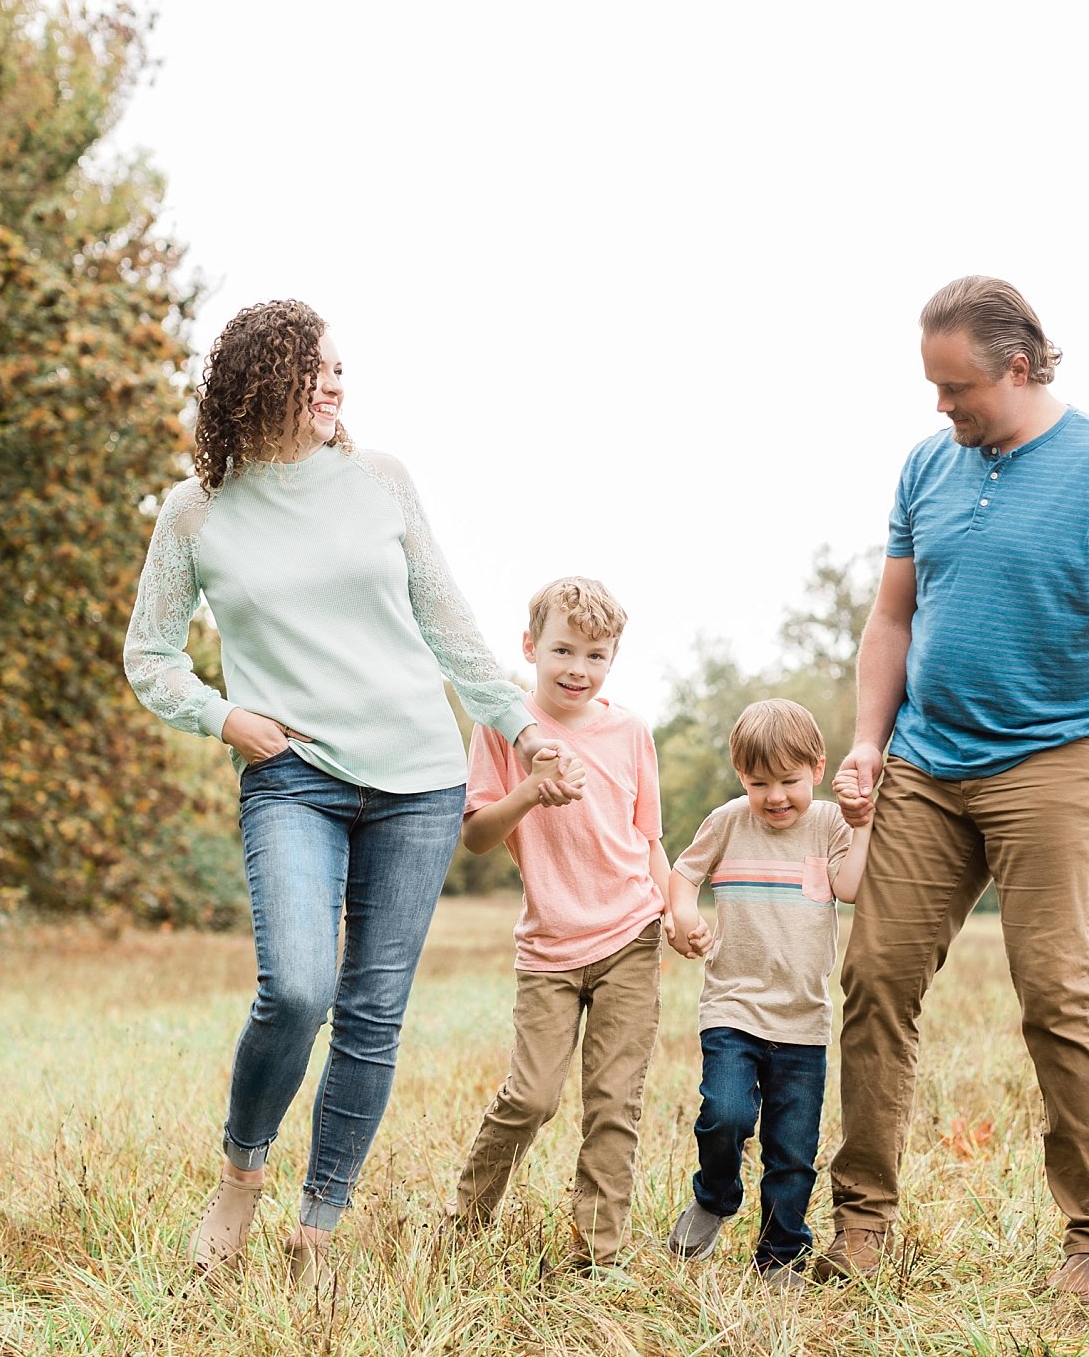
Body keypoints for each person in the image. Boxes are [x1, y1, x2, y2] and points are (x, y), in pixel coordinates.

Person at [122, 299, 582, 1287]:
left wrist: (527, 729)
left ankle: (317, 1225)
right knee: (295, 986)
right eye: (316, 369)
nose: (335, 385)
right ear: (260, 381)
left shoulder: (382, 482)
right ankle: (240, 1172)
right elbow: (149, 656)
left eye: (341, 370)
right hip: (290, 772)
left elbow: (451, 627)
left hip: (419, 776)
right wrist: (222, 716)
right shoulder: (194, 509)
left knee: (372, 1011)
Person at [815, 276, 1089, 1303]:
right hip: (927, 763)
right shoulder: (925, 466)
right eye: (932, 387)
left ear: (1018, 366)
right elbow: (891, 617)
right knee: (875, 976)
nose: (942, 406)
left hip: (1051, 760)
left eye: (957, 386)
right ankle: (860, 1222)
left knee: (1055, 992)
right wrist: (864, 742)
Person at [447, 577, 670, 1271]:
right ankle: (464, 1222)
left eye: (596, 656)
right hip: (548, 946)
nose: (578, 669)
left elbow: (650, 839)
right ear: (529, 647)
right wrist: (530, 790)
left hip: (632, 933)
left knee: (612, 1102)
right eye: (564, 650)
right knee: (532, 1095)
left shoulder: (631, 731)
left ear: (613, 660)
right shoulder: (501, 724)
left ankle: (596, 1258)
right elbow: (477, 835)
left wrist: (679, 913)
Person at [663, 699, 870, 1287]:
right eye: (759, 783)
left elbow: (850, 887)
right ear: (741, 779)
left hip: (803, 1019)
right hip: (732, 1005)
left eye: (789, 781)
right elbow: (683, 874)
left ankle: (781, 1252)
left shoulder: (831, 823)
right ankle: (715, 1196)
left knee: (792, 1152)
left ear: (818, 769)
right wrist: (682, 917)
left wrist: (865, 823)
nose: (775, 796)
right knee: (724, 1114)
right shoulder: (730, 820)